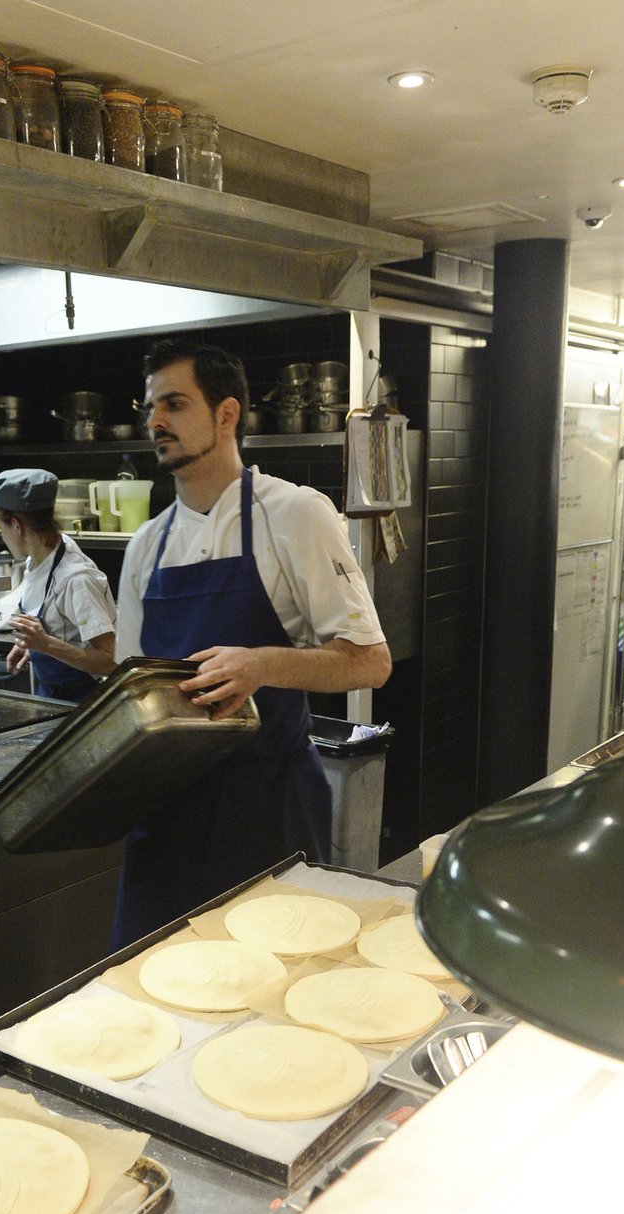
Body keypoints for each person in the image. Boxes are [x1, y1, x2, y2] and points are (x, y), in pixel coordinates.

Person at [111, 338, 392, 947]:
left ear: (227, 415)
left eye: (175, 404)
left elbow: (371, 663)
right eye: (150, 407)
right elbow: (128, 688)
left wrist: (262, 663)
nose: (155, 421)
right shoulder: (145, 546)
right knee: (154, 991)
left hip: (266, 808)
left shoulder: (295, 515)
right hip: (167, 817)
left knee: (279, 990)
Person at [0, 467, 117, 702]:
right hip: (54, 698)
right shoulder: (40, 557)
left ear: (17, 526)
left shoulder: (76, 579)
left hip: (86, 705)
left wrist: (46, 644)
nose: (2, 536)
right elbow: (62, 629)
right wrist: (32, 646)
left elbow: (111, 661)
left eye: (0, 527)